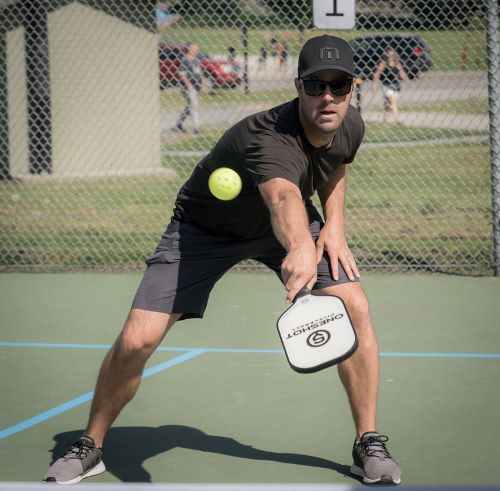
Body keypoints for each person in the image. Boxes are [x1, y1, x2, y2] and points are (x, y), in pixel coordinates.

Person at [43, 35, 401, 486]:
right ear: (298, 86)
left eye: (339, 85)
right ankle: (90, 445)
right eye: (315, 86)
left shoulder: (348, 122)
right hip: (203, 231)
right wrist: (300, 247)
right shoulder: (267, 137)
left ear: (354, 87)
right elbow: (283, 197)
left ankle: (367, 441)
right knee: (137, 339)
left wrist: (334, 225)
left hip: (284, 232)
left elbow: (336, 166)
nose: (327, 96)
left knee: (356, 305)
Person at [172, 42, 207, 134]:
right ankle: (197, 127)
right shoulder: (185, 60)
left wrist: (203, 84)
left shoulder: (196, 60)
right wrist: (188, 85)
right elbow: (182, 74)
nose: (197, 50)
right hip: (188, 87)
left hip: (195, 86)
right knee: (194, 106)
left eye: (197, 49)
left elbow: (200, 73)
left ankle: (178, 125)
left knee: (190, 107)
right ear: (189, 49)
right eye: (195, 49)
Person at [371, 47, 408, 124]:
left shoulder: (397, 63)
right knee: (392, 101)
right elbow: (376, 74)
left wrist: (406, 80)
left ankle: (385, 119)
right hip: (386, 86)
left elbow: (402, 73)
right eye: (388, 54)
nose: (389, 56)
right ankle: (398, 119)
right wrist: (374, 85)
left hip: (396, 86)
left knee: (389, 104)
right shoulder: (383, 63)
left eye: (391, 54)